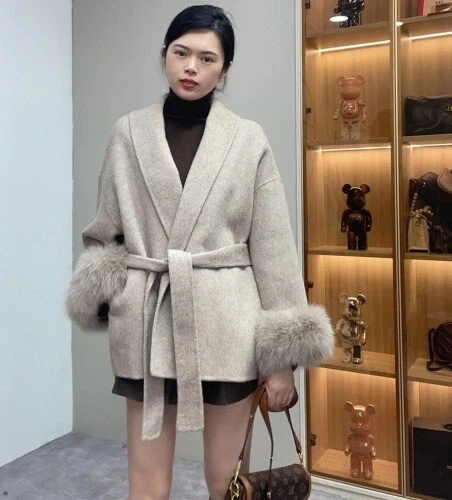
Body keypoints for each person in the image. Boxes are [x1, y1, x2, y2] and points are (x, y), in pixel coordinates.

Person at [66, 5, 333, 500]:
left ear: (225, 69)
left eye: (207, 58)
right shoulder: (128, 133)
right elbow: (106, 230)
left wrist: (281, 360)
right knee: (146, 484)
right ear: (164, 56)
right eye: (181, 53)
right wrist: (107, 295)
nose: (191, 67)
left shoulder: (247, 139)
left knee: (225, 483)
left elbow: (273, 248)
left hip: (229, 327)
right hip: (147, 322)